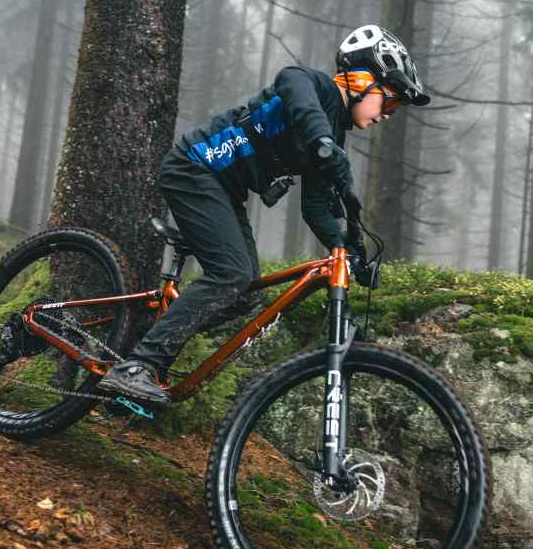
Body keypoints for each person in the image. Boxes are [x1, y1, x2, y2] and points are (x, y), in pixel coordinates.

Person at [97, 24, 430, 405]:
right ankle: (137, 366)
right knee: (233, 275)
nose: (388, 114)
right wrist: (321, 140)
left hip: (222, 190)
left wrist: (349, 247)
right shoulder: (314, 86)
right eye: (388, 102)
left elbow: (317, 208)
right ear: (360, 80)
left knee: (244, 291)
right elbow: (292, 85)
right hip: (193, 169)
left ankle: (150, 340)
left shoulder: (332, 138)